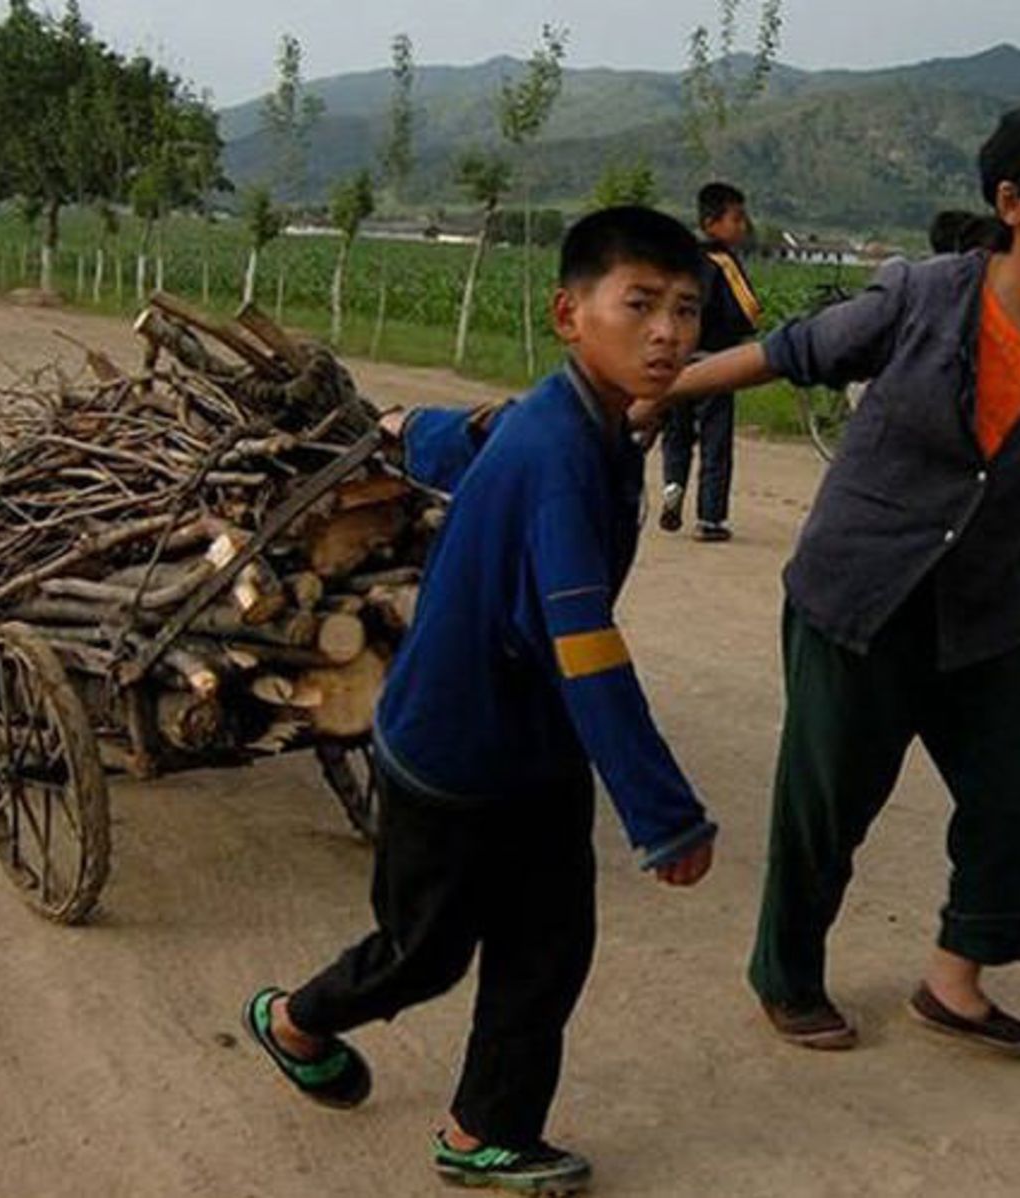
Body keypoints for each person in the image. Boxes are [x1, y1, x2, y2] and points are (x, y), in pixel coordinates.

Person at [661, 98, 1020, 1057]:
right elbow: (789, 352)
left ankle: (954, 982)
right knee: (831, 801)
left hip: (988, 604)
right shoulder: (924, 294)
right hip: (861, 589)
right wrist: (654, 395)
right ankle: (787, 972)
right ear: (1014, 202)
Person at [243, 206, 718, 1196]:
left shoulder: (580, 414)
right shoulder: (559, 458)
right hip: (454, 750)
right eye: (641, 305)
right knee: (423, 955)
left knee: (550, 944)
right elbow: (589, 651)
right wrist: (665, 815)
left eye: (686, 309)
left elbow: (473, 433)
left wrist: (407, 432)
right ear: (570, 313)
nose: (668, 332)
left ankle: (484, 1129)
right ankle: (294, 1017)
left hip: (535, 747)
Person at [658, 182, 762, 543]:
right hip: (715, 363)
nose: (742, 226)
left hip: (677, 362)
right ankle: (711, 517)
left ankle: (673, 486)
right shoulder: (724, 262)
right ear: (712, 223)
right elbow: (749, 309)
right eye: (736, 218)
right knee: (715, 439)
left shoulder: (681, 259)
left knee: (678, 432)